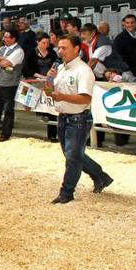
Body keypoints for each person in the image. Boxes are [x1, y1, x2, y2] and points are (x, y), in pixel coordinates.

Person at [47, 35, 114, 204]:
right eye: (59, 48)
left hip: (78, 119)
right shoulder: (61, 68)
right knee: (73, 155)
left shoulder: (84, 71)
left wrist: (62, 96)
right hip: (63, 117)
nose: (60, 51)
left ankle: (66, 192)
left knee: (72, 157)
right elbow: (49, 91)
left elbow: (85, 99)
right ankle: (101, 176)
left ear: (76, 49)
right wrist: (49, 79)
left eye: (64, 48)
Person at [114, 14, 136, 82]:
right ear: (124, 24)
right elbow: (118, 57)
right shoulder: (119, 38)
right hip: (130, 72)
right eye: (127, 23)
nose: (130, 25)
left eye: (132, 22)